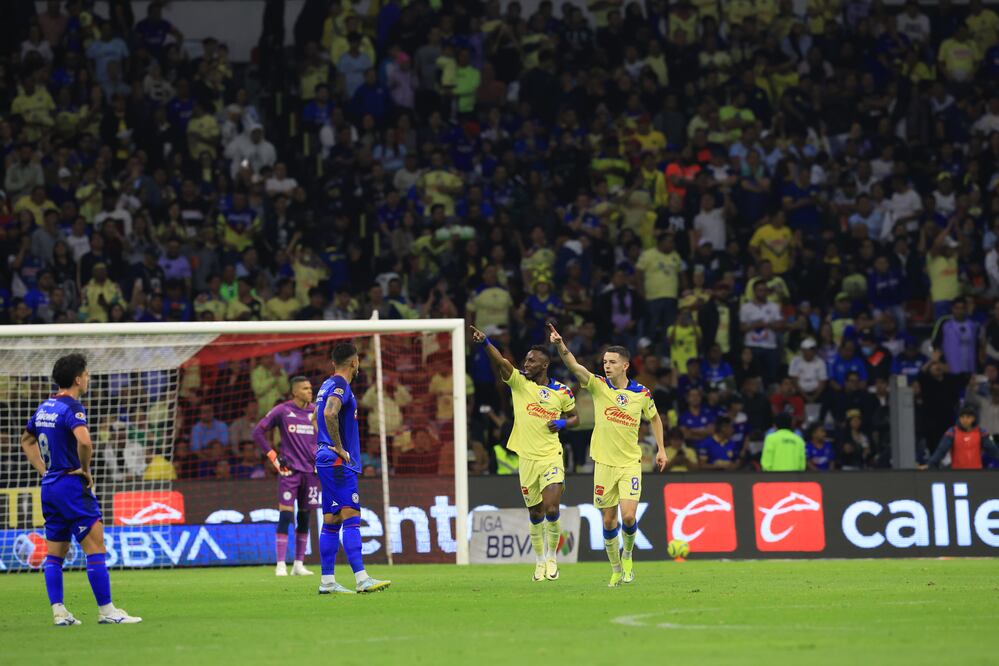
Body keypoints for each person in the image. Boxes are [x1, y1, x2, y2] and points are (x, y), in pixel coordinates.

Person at [20, 353, 141, 625]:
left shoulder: (44, 407)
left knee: (54, 554)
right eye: (86, 374)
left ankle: (59, 612)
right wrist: (85, 469)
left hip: (49, 487)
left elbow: (26, 440)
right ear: (77, 378)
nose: (88, 378)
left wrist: (44, 470)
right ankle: (107, 611)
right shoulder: (72, 407)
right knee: (95, 546)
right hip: (72, 486)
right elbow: (85, 442)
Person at [549, 323, 667, 587]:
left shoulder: (641, 394)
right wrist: (559, 345)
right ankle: (615, 569)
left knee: (627, 517)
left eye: (612, 362)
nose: (607, 365)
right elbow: (574, 366)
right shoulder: (598, 386)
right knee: (608, 519)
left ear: (625, 365)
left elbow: (656, 418)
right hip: (603, 464)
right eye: (604, 361)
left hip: (629, 463)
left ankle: (627, 558)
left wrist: (661, 448)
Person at [470, 325, 578, 582]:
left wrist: (563, 423)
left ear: (544, 365)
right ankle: (539, 561)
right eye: (526, 359)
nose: (526, 363)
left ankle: (552, 557)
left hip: (551, 455)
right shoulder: (519, 383)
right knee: (535, 513)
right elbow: (502, 362)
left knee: (552, 508)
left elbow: (575, 417)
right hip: (527, 459)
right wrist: (486, 343)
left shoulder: (562, 391)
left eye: (532, 361)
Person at [315, 343, 390, 594]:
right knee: (351, 515)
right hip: (337, 462)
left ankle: (327, 582)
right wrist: (339, 447)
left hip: (324, 459)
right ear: (354, 362)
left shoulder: (325, 385)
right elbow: (329, 413)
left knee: (331, 519)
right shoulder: (340, 385)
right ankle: (361, 579)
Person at [252, 375, 319, 577]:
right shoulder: (283, 410)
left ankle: (299, 564)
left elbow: (327, 435)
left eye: (310, 388)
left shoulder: (316, 412)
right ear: (295, 391)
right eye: (305, 388)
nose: (310, 391)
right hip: (289, 471)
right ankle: (280, 564)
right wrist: (273, 457)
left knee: (305, 517)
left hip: (312, 473)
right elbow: (258, 432)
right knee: (286, 515)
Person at [920, 404, 999, 470]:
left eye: (968, 417)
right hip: (958, 473)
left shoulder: (981, 432)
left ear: (973, 418)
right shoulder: (952, 432)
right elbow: (941, 450)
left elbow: (993, 450)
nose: (965, 420)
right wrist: (929, 464)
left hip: (976, 473)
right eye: (962, 417)